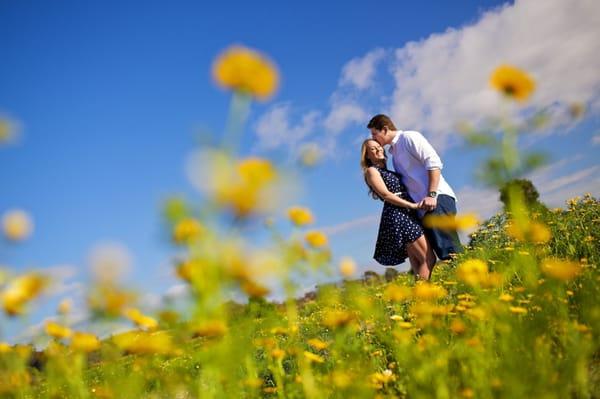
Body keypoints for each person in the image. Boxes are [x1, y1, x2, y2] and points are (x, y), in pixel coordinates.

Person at [368, 114, 462, 261]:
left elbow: (434, 163)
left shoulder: (409, 138)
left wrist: (432, 194)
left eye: (375, 134)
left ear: (385, 129)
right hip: (423, 209)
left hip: (437, 200)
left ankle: (476, 282)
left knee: (451, 252)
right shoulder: (394, 155)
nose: (374, 138)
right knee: (444, 255)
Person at [360, 139, 436, 279]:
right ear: (367, 156)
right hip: (399, 215)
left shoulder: (386, 171)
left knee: (419, 263)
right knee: (428, 259)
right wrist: (411, 205)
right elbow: (386, 194)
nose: (378, 150)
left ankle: (421, 299)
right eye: (373, 149)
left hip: (407, 214)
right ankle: (422, 298)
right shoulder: (372, 171)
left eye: (379, 147)